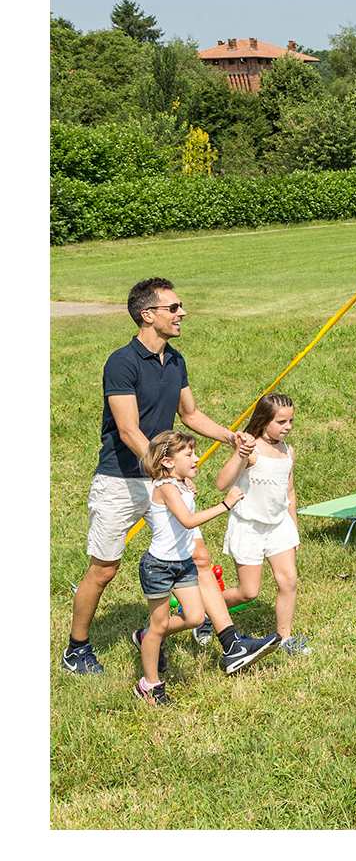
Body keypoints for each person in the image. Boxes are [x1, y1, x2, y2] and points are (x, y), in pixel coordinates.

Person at [63, 277, 255, 675]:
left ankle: (230, 642)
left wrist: (229, 435)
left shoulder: (176, 359)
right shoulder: (122, 362)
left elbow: (189, 414)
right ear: (147, 315)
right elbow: (129, 430)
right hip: (121, 478)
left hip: (162, 476)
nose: (182, 312)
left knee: (199, 557)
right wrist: (164, 467)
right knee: (104, 569)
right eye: (174, 307)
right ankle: (76, 648)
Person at [131, 431, 280, 703]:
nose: (197, 458)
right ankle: (150, 684)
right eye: (188, 455)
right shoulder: (165, 487)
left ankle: (146, 636)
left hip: (183, 564)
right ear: (167, 462)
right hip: (159, 568)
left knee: (196, 618)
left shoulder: (183, 484)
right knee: (159, 624)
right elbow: (188, 521)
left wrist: (188, 486)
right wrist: (225, 505)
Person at [214, 393, 309, 654]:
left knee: (288, 580)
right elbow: (222, 483)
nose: (287, 426)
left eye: (291, 420)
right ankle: (204, 612)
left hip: (279, 526)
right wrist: (240, 454)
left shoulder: (288, 451)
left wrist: (294, 529)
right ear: (263, 420)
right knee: (248, 592)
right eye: (281, 422)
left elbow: (289, 492)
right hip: (249, 528)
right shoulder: (251, 448)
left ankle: (285, 640)